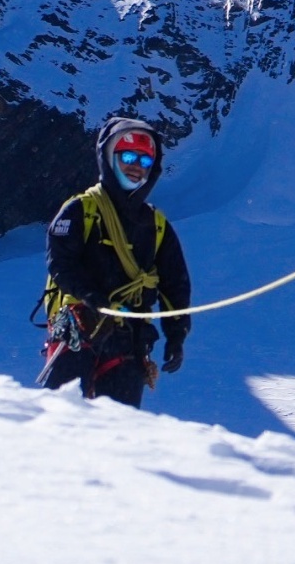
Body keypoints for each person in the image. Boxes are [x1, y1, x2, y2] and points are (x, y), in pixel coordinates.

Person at [38, 115, 191, 407]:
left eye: (145, 161)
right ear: (109, 157)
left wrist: (177, 334)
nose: (136, 167)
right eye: (128, 157)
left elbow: (175, 286)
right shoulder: (81, 209)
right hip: (80, 326)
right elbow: (60, 261)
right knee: (60, 414)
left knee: (117, 429)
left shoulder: (157, 226)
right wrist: (92, 297)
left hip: (129, 340)